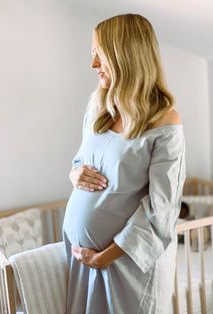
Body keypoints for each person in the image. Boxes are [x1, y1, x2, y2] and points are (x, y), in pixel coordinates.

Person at [63, 13, 186, 314]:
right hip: (84, 262)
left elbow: (162, 209)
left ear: (124, 56)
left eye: (98, 56)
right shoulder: (98, 107)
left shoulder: (165, 124)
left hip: (126, 267)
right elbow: (81, 160)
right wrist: (74, 173)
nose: (92, 65)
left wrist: (105, 256)